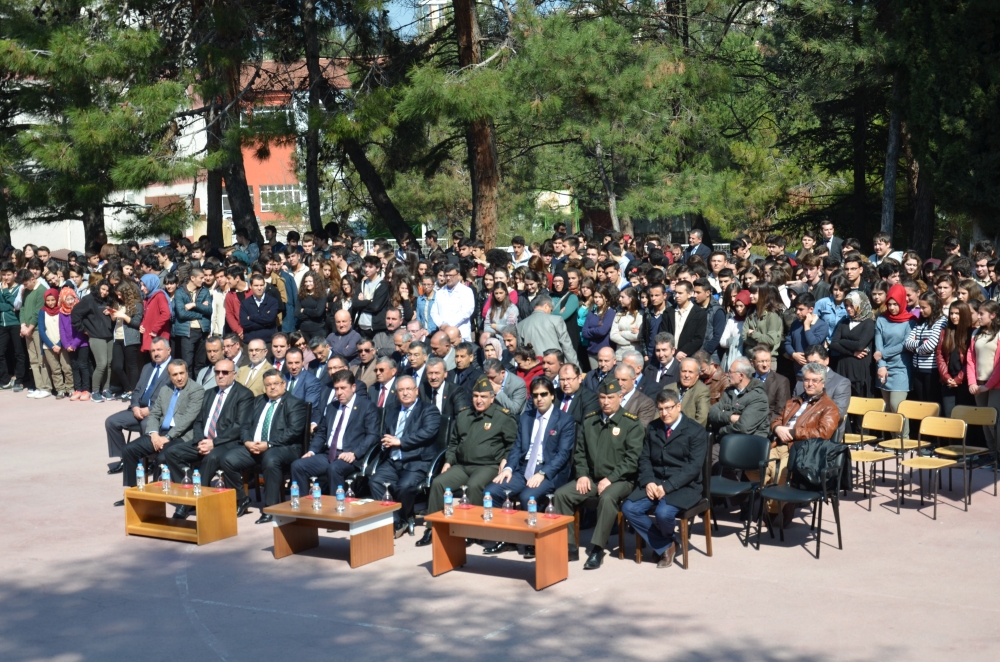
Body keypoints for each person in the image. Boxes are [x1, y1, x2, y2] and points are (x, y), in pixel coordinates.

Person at [415, 376, 518, 547]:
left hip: (488, 465)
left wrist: (505, 460)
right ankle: (433, 528)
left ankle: (472, 531)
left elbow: (513, 444)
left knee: (474, 485)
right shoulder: (464, 415)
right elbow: (454, 442)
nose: (479, 400)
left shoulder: (502, 417)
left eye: (483, 396)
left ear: (492, 398)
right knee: (439, 483)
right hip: (462, 465)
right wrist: (448, 461)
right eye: (476, 396)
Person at [552, 380, 644, 569]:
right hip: (592, 478)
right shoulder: (590, 421)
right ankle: (569, 545)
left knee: (608, 497)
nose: (606, 402)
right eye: (602, 398)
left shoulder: (631, 424)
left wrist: (610, 479)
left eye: (610, 397)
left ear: (620, 397)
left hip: (621, 480)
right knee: (562, 494)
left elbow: (632, 459)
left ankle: (597, 548)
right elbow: (580, 452)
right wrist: (583, 474)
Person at [486, 375, 576, 557]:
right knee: (492, 491)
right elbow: (517, 447)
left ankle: (534, 541)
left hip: (550, 471)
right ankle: (507, 538)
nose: (539, 399)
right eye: (535, 395)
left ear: (552, 396)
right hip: (524, 468)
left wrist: (543, 473)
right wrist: (509, 469)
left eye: (544, 394)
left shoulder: (565, 420)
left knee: (529, 496)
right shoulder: (526, 418)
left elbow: (563, 455)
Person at [622, 389, 707, 568]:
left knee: (663, 513)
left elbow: (693, 467)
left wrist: (668, 486)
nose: (664, 413)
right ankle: (667, 545)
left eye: (668, 408)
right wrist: (649, 481)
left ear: (678, 406)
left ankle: (663, 545)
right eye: (660, 409)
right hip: (655, 481)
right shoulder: (653, 427)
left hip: (685, 485)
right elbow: (644, 458)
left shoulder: (695, 430)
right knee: (630, 508)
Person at [162, 360, 255, 519]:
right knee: (172, 452)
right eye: (217, 372)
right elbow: (198, 421)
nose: (220, 376)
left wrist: (214, 443)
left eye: (225, 373)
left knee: (211, 458)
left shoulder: (244, 395)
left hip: (227, 443)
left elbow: (238, 426)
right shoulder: (208, 393)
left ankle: (189, 502)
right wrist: (200, 441)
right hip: (204, 440)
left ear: (234, 374)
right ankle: (193, 490)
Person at [757, 362, 841, 521]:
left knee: (779, 473)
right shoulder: (793, 402)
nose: (809, 384)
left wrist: (794, 433)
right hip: (778, 443)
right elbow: (777, 420)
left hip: (799, 449)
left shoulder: (829, 407)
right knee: (755, 466)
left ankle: (772, 514)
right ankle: (781, 502)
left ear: (823, 383)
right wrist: (777, 429)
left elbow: (824, 433)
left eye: (814, 380)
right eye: (806, 380)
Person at [219, 370, 308, 520]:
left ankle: (270, 508)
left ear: (284, 384)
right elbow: (245, 425)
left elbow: (293, 431)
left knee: (271, 459)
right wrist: (247, 442)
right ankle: (242, 499)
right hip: (254, 446)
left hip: (283, 448)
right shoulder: (258, 401)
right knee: (227, 459)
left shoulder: (295, 403)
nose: (272, 387)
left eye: (275, 383)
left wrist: (269, 444)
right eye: (268, 385)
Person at [116, 359, 205, 506]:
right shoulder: (165, 389)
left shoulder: (196, 390)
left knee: (163, 457)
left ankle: (157, 494)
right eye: (175, 374)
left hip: (182, 435)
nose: (179, 377)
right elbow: (154, 414)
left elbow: (188, 419)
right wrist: (154, 433)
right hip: (160, 433)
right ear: (169, 376)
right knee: (129, 450)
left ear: (187, 372)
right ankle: (134, 492)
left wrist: (168, 437)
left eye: (182, 373)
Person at [370, 375, 442, 538]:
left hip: (417, 460)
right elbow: (385, 433)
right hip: (393, 460)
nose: (405, 393)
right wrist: (385, 441)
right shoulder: (392, 411)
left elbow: (428, 433)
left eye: (409, 389)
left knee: (403, 487)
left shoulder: (428, 410)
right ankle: (396, 520)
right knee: (375, 482)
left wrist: (400, 441)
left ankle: (403, 517)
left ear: (416, 391)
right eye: (401, 390)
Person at [291, 369, 379, 501]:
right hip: (329, 454)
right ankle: (303, 508)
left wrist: (354, 453)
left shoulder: (366, 406)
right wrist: (312, 451)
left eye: (343, 388)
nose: (339, 392)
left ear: (353, 387)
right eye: (336, 388)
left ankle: (337, 508)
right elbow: (322, 433)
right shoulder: (331, 407)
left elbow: (373, 435)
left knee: (334, 468)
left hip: (350, 456)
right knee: (298, 465)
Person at [875, 284, 917, 435]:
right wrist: (881, 365)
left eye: (895, 304)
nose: (892, 308)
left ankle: (904, 439)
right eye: (889, 304)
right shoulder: (881, 319)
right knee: (887, 407)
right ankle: (893, 441)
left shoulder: (910, 320)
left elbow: (905, 344)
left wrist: (882, 354)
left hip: (901, 367)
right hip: (884, 367)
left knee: (897, 405)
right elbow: (878, 344)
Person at [707, 358, 770, 438]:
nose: (727, 374)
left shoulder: (758, 397)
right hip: (725, 440)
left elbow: (743, 428)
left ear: (741, 376)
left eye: (730, 372)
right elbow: (712, 413)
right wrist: (730, 417)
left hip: (747, 443)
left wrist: (721, 430)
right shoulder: (729, 392)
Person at [967, 301, 1000, 451]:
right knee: (984, 420)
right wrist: (972, 382)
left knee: (995, 421)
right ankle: (991, 453)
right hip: (979, 383)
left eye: (982, 313)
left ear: (992, 315)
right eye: (978, 313)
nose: (978, 316)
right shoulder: (976, 333)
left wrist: (988, 386)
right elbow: (970, 359)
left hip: (995, 385)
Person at [829, 291, 876, 397]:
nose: (848, 308)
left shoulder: (868, 323)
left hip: (859, 368)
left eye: (852, 305)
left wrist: (842, 341)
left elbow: (860, 345)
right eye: (846, 306)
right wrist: (852, 353)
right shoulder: (844, 322)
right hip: (843, 367)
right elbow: (833, 344)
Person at [904, 292, 947, 403]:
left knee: (932, 401)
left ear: (933, 307)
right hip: (917, 368)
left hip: (931, 370)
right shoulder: (921, 323)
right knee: (921, 402)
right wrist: (921, 343)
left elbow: (930, 345)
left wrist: (916, 348)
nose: (921, 311)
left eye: (924, 308)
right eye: (920, 307)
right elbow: (907, 343)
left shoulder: (941, 322)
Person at [515, 295, 579, 367]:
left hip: (533, 366)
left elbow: (521, 350)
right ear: (546, 306)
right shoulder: (556, 320)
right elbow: (567, 347)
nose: (550, 312)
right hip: (554, 365)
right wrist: (575, 367)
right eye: (551, 310)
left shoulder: (520, 325)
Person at [173, 267, 212, 376]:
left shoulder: (205, 291)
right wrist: (200, 314)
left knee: (200, 363)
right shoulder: (180, 292)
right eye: (201, 277)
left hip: (202, 331)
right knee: (187, 363)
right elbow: (181, 313)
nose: (204, 280)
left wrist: (194, 305)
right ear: (192, 278)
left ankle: (199, 387)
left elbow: (209, 310)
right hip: (188, 332)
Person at [937, 300, 974, 416]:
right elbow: (940, 354)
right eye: (951, 313)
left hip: (964, 382)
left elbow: (970, 359)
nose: (953, 316)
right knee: (949, 414)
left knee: (964, 416)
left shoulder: (971, 333)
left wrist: (958, 379)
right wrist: (946, 376)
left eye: (957, 313)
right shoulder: (946, 331)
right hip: (948, 382)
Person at [110, 281, 144, 400]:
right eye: (117, 295)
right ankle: (128, 388)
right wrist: (113, 316)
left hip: (130, 338)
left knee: (132, 366)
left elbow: (136, 323)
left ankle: (133, 392)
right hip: (118, 337)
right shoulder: (118, 303)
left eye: (121, 294)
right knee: (117, 366)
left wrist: (124, 316)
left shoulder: (137, 304)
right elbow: (115, 320)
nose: (119, 297)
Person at [783, 292, 828, 378]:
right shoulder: (795, 324)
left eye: (801, 309)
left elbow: (814, 345)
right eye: (796, 309)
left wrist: (807, 326)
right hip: (798, 372)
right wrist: (793, 354)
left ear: (811, 309)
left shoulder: (822, 325)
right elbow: (787, 343)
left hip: (816, 373)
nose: (797, 312)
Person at [38, 288, 72, 398]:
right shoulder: (42, 312)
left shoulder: (62, 310)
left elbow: (64, 328)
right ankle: (60, 389)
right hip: (49, 346)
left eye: (53, 300)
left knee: (66, 368)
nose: (50, 303)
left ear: (57, 299)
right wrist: (52, 345)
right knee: (55, 369)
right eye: (48, 300)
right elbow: (42, 331)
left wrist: (59, 344)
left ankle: (70, 387)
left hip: (62, 344)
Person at [430, 263, 476, 341]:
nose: (448, 278)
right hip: (443, 333)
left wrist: (449, 325)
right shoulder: (440, 292)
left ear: (458, 275)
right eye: (446, 275)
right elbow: (434, 312)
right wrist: (441, 324)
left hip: (461, 334)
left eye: (451, 275)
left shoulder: (466, 291)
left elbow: (467, 311)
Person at [741, 283, 783, 369]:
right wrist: (762, 343)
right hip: (751, 360)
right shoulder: (750, 313)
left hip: (767, 361)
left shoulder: (772, 315)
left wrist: (753, 334)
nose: (750, 296)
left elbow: (771, 340)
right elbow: (744, 337)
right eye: (750, 293)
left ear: (763, 294)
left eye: (754, 293)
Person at [0, 263, 27, 390]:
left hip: (16, 324)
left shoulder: (20, 288)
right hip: (2, 324)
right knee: (1, 353)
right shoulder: (0, 286)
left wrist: (6, 293)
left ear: (14, 274)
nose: (6, 277)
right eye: (3, 274)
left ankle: (20, 379)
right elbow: (12, 306)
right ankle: (5, 380)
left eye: (8, 274)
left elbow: (17, 306)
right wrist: (9, 307)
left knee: (19, 353)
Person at [664, 357, 711, 427]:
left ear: (697, 375)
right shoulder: (668, 388)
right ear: (679, 372)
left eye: (690, 372)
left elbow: (702, 418)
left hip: (687, 432)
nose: (686, 375)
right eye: (684, 371)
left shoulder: (702, 391)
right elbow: (659, 412)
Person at [751, 346, 791, 425]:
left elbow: (781, 410)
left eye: (768, 361)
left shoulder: (781, 381)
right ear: (753, 362)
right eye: (761, 361)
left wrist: (763, 426)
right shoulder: (748, 379)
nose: (765, 365)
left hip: (766, 426)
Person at [582, 284, 618, 370]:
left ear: (605, 298)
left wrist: (591, 330)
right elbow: (584, 332)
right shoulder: (591, 313)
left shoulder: (610, 312)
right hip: (592, 352)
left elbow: (602, 331)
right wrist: (596, 330)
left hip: (605, 352)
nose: (597, 299)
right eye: (595, 297)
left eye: (600, 297)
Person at [239, 274, 279, 344]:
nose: (259, 288)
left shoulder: (272, 301)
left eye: (261, 285)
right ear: (250, 286)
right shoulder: (245, 303)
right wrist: (266, 323)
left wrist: (251, 317)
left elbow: (271, 319)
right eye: (256, 285)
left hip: (268, 341)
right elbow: (244, 323)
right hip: (250, 342)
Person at [557, 362, 600, 427]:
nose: (565, 383)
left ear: (579, 378)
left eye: (569, 379)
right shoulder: (554, 394)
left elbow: (585, 427)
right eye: (562, 379)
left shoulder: (590, 398)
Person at [282, 347, 323, 411]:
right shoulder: (282, 378)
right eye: (290, 363)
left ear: (303, 362)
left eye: (297, 362)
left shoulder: (311, 381)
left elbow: (309, 408)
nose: (293, 367)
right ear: (285, 363)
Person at [138, 274, 172, 353]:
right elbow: (146, 315)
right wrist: (142, 325)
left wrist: (155, 329)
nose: (142, 288)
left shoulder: (159, 296)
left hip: (157, 336)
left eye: (144, 285)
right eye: (141, 285)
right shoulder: (148, 297)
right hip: (150, 335)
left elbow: (166, 314)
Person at [610, 286, 644, 359]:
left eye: (622, 297)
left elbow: (638, 336)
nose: (620, 299)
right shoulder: (619, 314)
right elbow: (613, 335)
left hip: (635, 355)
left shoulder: (640, 314)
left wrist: (621, 333)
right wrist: (629, 342)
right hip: (619, 355)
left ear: (631, 298)